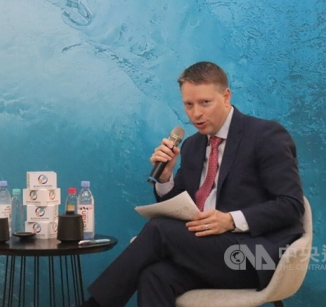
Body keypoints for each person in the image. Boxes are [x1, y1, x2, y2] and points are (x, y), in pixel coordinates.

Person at [83, 61, 305, 307]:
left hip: (253, 256)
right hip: (205, 253)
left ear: (226, 96)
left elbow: (291, 205)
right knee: (154, 276)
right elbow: (181, 207)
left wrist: (231, 220)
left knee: (158, 230)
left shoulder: (266, 135)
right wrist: (165, 177)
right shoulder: (192, 145)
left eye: (204, 103)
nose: (195, 113)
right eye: (188, 104)